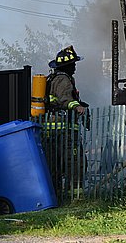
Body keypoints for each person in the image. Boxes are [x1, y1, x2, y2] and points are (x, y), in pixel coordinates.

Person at [45, 45, 89, 194]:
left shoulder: (53, 79)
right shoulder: (64, 79)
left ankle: (55, 194)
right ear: (68, 66)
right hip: (66, 131)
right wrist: (77, 107)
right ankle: (76, 196)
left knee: (55, 165)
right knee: (75, 163)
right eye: (73, 64)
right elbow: (64, 99)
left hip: (52, 130)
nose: (75, 67)